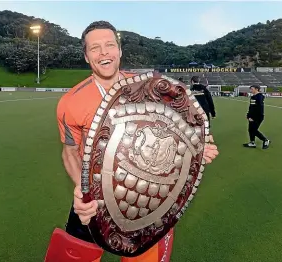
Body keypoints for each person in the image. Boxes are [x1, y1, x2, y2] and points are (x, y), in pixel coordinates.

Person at [56, 20, 219, 261]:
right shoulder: (71, 102)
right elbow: (69, 152)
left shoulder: (150, 87)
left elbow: (185, 127)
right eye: (95, 48)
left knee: (142, 254)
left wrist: (200, 148)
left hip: (147, 193)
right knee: (76, 254)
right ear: (86, 57)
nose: (104, 52)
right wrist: (83, 188)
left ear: (120, 51)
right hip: (94, 193)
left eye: (110, 45)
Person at [243, 84, 271, 149]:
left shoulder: (259, 97)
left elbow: (259, 109)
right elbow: (251, 108)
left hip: (257, 117)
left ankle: (266, 140)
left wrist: (253, 117)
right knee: (250, 130)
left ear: (256, 89)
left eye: (252, 89)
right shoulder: (253, 97)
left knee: (254, 130)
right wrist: (248, 116)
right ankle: (252, 142)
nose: (251, 90)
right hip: (252, 117)